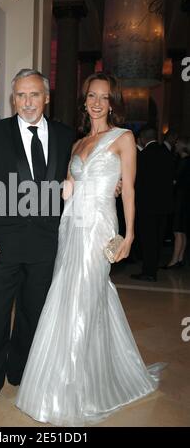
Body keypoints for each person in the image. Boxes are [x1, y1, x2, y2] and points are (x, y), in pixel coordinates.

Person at [16, 73, 164, 426]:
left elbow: (127, 190)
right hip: (71, 228)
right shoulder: (78, 143)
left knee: (84, 299)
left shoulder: (124, 138)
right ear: (84, 101)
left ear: (113, 102)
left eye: (105, 96)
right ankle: (62, 381)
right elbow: (69, 186)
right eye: (92, 96)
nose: (97, 102)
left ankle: (75, 391)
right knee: (69, 299)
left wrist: (128, 236)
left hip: (99, 230)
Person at [0, 69, 76, 414]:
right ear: (13, 99)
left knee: (32, 314)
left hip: (46, 243)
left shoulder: (65, 135)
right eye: (20, 96)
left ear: (46, 98)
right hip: (3, 242)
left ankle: (21, 372)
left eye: (34, 95)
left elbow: (74, 181)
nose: (27, 103)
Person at [131, 127, 174, 281]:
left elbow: (137, 182)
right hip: (164, 205)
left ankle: (149, 272)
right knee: (157, 240)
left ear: (142, 138)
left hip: (147, 206)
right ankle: (152, 268)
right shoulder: (168, 154)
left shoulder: (142, 156)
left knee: (148, 240)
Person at [162, 137, 190, 268]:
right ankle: (179, 259)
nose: (176, 144)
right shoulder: (185, 161)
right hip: (185, 199)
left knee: (178, 230)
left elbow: (175, 181)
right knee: (182, 231)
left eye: (178, 143)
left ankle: (174, 260)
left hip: (181, 199)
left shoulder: (184, 162)